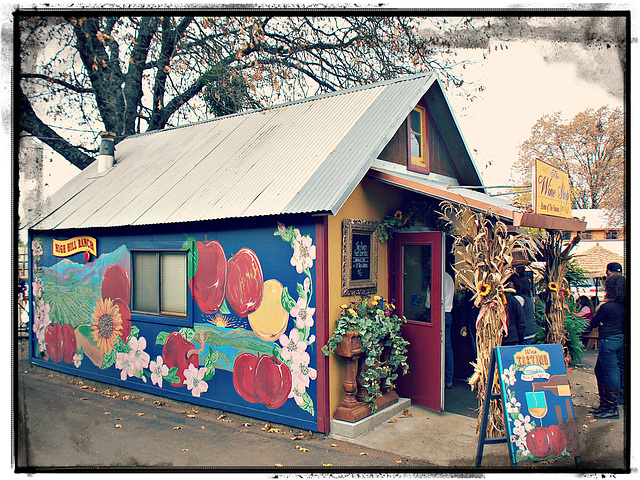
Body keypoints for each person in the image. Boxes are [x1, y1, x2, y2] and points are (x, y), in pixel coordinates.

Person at [588, 274, 625, 419]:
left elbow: (593, 323)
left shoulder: (607, 307)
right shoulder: (624, 305)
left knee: (609, 373)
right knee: (601, 370)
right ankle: (605, 405)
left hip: (608, 341)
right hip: (620, 340)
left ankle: (611, 408)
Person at [510, 273, 537, 345]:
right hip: (532, 331)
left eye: (511, 282)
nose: (509, 284)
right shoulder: (528, 298)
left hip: (525, 334)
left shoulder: (517, 299)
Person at [443, 271, 455, 389]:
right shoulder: (450, 278)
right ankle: (448, 378)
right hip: (448, 313)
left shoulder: (438, 278)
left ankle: (440, 377)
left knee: (441, 347)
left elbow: (430, 301)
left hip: (440, 313)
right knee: (447, 347)